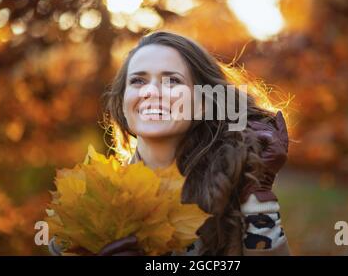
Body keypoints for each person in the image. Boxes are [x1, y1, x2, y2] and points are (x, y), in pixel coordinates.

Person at [49, 31, 290, 256]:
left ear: (203, 103)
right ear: (123, 102)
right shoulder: (88, 199)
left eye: (172, 80)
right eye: (138, 81)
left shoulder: (233, 198)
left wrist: (257, 192)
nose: (152, 91)